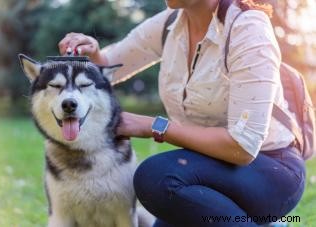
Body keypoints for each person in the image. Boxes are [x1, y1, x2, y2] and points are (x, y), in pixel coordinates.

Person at [58, 0, 306, 226]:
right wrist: (92, 54)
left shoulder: (248, 29)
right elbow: (109, 66)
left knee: (156, 177)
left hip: (270, 170)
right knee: (162, 194)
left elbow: (243, 146)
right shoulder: (170, 22)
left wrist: (152, 125)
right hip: (208, 167)